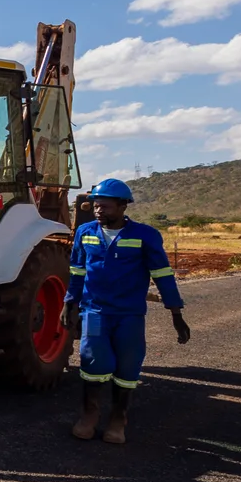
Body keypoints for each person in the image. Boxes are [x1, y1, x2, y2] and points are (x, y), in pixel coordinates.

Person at [62, 177, 190, 444]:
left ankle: (118, 419)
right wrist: (69, 303)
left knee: (128, 366)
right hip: (94, 312)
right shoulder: (85, 232)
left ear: (122, 207)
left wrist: (175, 313)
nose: (98, 211)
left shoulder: (145, 236)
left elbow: (163, 275)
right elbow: (76, 272)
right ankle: (89, 415)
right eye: (96, 206)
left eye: (105, 207)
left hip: (129, 314)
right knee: (93, 361)